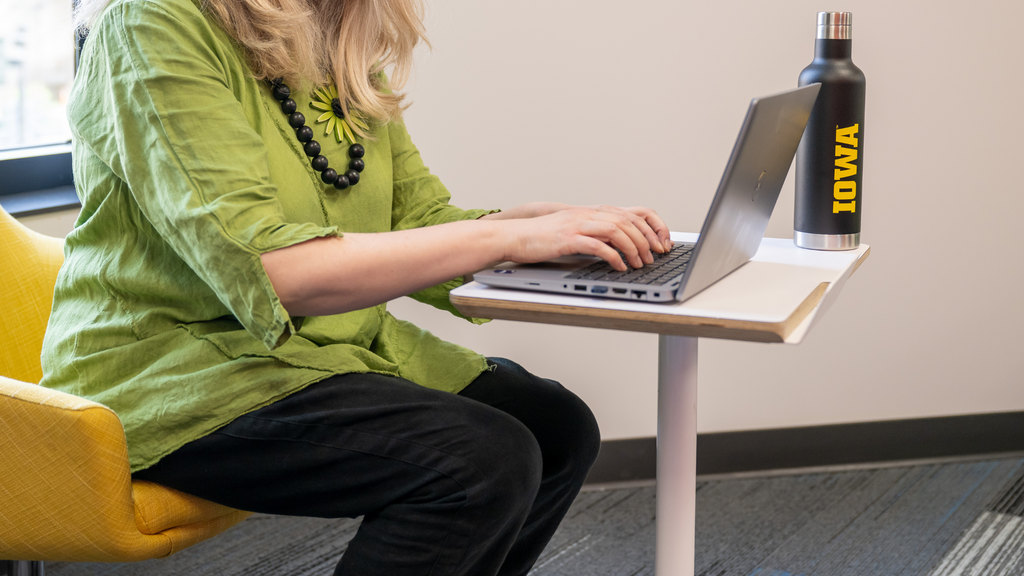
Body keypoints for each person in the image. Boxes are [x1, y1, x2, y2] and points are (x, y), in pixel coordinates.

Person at [41, 0, 673, 573]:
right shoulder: (150, 23)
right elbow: (274, 269)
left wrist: (546, 230)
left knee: (556, 429)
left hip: (318, 354)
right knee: (479, 460)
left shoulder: (332, 35)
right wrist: (504, 242)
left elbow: (417, 222)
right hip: (175, 366)